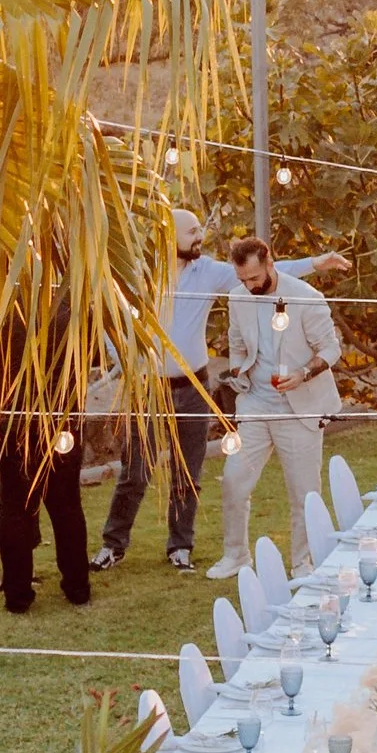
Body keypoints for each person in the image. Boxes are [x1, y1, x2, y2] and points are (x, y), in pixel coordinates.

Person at [95, 208, 229, 574]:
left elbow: (259, 273)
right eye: (192, 231)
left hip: (194, 389)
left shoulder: (209, 272)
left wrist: (318, 263)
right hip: (149, 391)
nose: (200, 237)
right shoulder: (139, 275)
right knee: (135, 472)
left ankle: (180, 546)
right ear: (170, 237)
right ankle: (113, 545)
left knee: (188, 473)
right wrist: (122, 357)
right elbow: (110, 319)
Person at [212, 235, 348, 578]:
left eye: (255, 278)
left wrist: (303, 374)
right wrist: (239, 373)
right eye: (243, 280)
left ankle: (303, 562)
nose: (249, 286)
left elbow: (331, 350)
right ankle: (236, 555)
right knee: (233, 480)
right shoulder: (238, 298)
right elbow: (237, 344)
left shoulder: (306, 297)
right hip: (256, 404)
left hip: (299, 408)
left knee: (304, 492)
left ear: (270, 261)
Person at [0, 295, 92, 615]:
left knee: (16, 508)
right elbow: (92, 355)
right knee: (67, 507)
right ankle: (77, 587)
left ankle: (17, 595)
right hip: (61, 422)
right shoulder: (70, 305)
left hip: (12, 419)